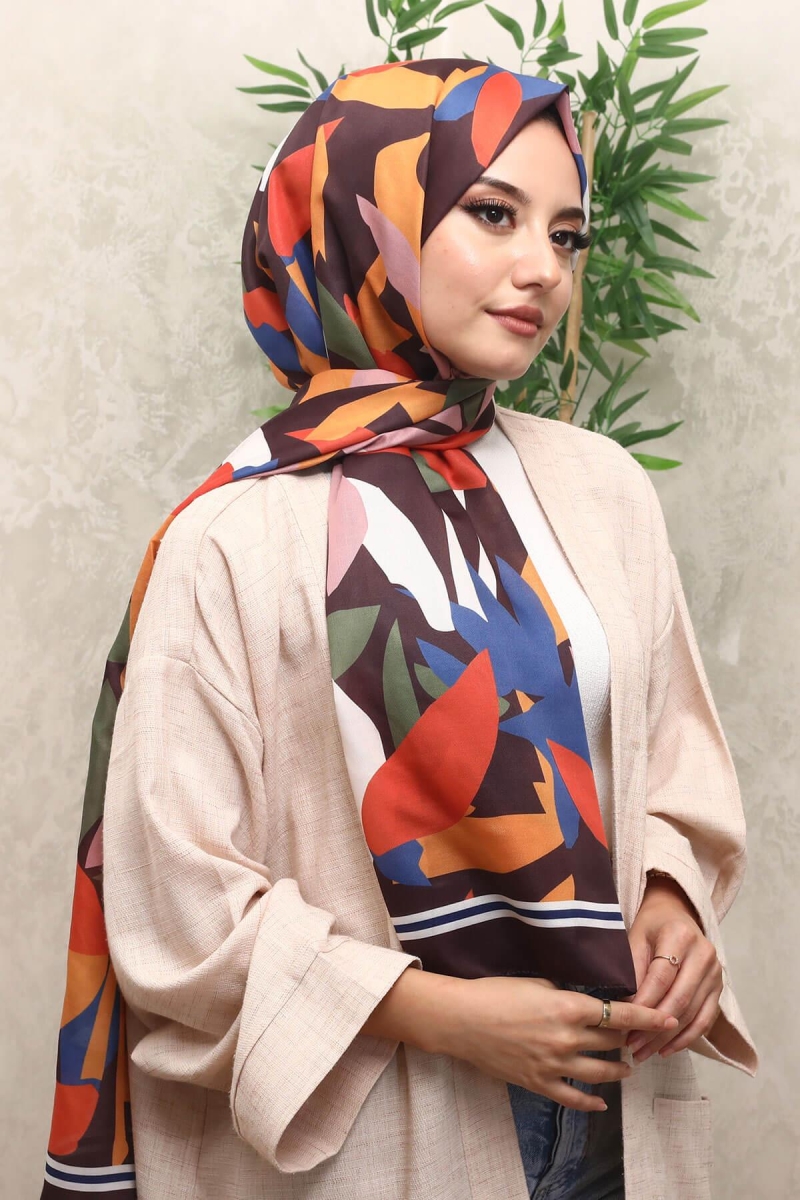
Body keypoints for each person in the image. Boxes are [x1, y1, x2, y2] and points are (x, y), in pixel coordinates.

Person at [41, 58, 757, 1200]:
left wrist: (673, 897)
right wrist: (444, 1016)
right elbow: (175, 898)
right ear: (363, 221)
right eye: (493, 214)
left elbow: (671, 757)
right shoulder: (232, 536)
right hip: (381, 1132)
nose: (544, 269)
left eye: (566, 234)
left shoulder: (603, 488)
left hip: (616, 1097)